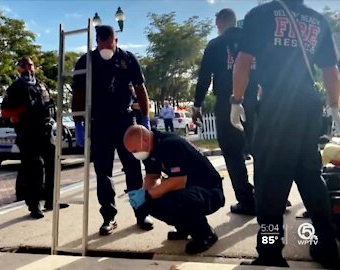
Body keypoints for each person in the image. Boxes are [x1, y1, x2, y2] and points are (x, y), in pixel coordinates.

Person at [231, 0, 340, 267]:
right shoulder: (317, 20)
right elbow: (330, 70)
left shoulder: (259, 14)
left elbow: (243, 61)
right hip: (308, 105)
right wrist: (335, 105)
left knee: (270, 184)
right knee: (310, 176)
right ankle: (327, 247)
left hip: (277, 104)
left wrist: (236, 100)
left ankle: (270, 253)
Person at [72, 25, 154, 235]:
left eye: (110, 44)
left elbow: (140, 88)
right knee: (103, 172)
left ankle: (141, 212)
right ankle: (109, 217)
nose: (106, 48)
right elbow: (78, 94)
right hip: (99, 122)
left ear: (115, 41)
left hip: (125, 120)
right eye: (102, 44)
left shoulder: (127, 58)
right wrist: (79, 123)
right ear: (97, 42)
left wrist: (145, 118)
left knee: (133, 169)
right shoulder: (86, 61)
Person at [192, 8, 257, 215]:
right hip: (253, 101)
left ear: (221, 22)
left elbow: (204, 77)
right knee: (261, 150)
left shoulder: (215, 44)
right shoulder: (252, 40)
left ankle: (247, 199)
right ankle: (270, 196)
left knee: (232, 152)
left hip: (227, 102)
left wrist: (197, 105)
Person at [124, 125, 225, 254]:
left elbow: (178, 182)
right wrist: (143, 194)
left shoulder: (170, 145)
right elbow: (152, 176)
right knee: (152, 202)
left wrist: (148, 194)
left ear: (144, 140)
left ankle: (205, 235)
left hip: (209, 190)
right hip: (190, 188)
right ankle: (185, 228)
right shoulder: (150, 149)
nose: (135, 154)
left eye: (134, 150)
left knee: (177, 199)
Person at [1, 57, 69, 219]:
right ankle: (34, 206)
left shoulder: (41, 85)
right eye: (24, 66)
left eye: (30, 65)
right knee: (34, 169)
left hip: (45, 132)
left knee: (53, 164)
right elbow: (5, 112)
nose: (28, 69)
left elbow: (50, 106)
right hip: (27, 134)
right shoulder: (15, 88)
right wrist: (23, 110)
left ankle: (51, 201)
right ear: (18, 69)